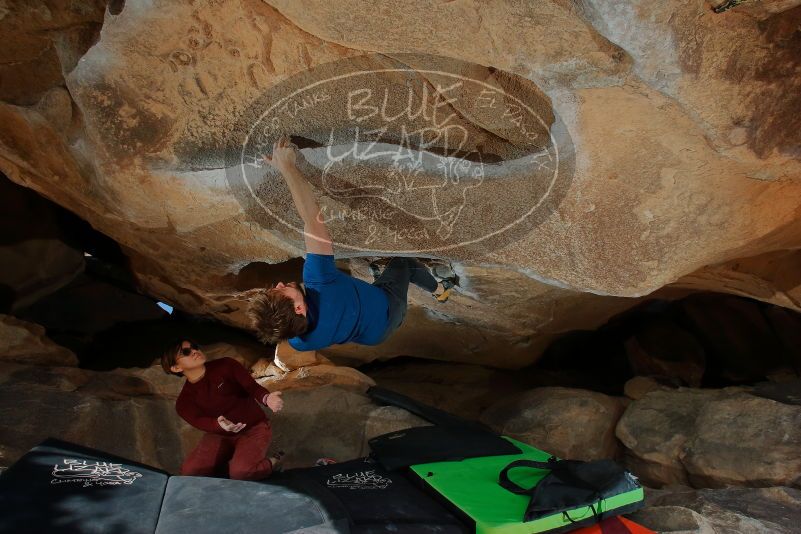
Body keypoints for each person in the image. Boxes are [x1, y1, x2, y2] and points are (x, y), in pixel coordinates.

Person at [248, 136, 457, 351]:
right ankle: (441, 290)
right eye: (281, 292)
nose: (279, 285)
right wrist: (287, 167)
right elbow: (312, 218)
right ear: (299, 308)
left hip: (373, 335)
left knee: (370, 290)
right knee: (402, 264)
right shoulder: (319, 280)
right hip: (390, 309)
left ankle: (382, 282)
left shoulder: (298, 341)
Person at [161, 339, 285, 480]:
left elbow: (252, 387)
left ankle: (273, 462)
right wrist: (218, 425)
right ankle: (229, 463)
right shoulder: (184, 402)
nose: (194, 351)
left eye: (194, 347)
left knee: (240, 473)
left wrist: (266, 398)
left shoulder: (226, 365)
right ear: (176, 368)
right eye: (186, 352)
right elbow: (200, 422)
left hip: (253, 428)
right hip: (220, 435)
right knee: (190, 472)